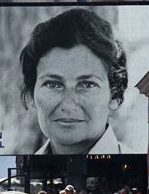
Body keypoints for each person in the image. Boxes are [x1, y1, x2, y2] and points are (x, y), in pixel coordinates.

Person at [20, 8, 134, 155]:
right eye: (53, 84)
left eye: (87, 85)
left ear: (115, 96)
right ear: (31, 95)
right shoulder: (16, 176)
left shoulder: (144, 172)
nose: (68, 105)